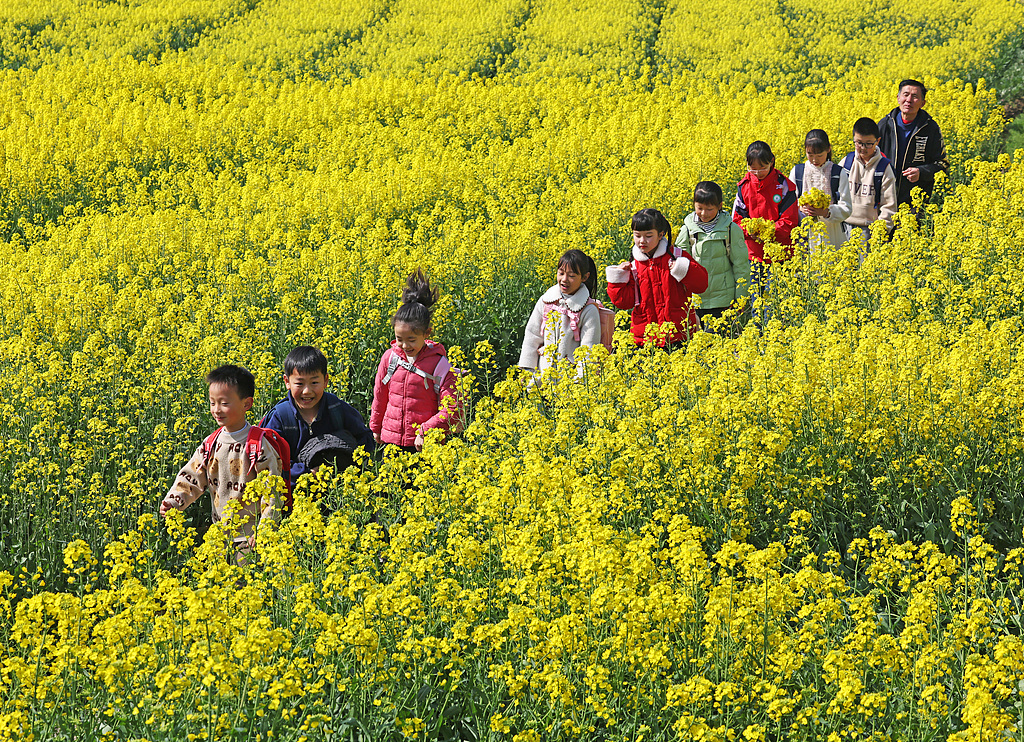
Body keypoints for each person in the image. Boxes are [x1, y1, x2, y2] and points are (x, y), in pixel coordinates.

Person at [160, 364, 284, 553]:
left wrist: (265, 530)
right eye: (212, 403)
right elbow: (191, 477)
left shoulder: (258, 444)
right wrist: (174, 501)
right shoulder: (211, 443)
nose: (216, 410)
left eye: (224, 403)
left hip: (250, 537)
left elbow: (272, 491)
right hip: (218, 536)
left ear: (247, 404)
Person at [370, 270, 462, 452]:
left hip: (424, 443)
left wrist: (426, 431)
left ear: (427, 333)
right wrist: (376, 427)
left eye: (411, 340)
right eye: (399, 339)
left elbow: (451, 407)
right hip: (391, 440)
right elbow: (380, 394)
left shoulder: (439, 365)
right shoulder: (390, 357)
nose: (404, 345)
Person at [261, 346, 374, 487]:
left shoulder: (336, 408)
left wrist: (350, 465)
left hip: (339, 487)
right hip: (293, 491)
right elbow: (271, 459)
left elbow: (365, 438)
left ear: (326, 380)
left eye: (314, 382)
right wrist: (307, 474)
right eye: (299, 383)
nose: (307, 391)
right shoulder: (281, 416)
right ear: (287, 382)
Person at [605, 208, 708, 347]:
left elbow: (701, 285)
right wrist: (618, 279)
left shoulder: (677, 257)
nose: (642, 241)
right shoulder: (633, 265)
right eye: (637, 236)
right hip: (645, 339)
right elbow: (624, 303)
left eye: (648, 236)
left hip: (679, 335)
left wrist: (682, 268)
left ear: (661, 235)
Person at [732, 141, 799, 325]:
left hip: (780, 255)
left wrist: (768, 232)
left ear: (772, 161)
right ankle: (759, 335)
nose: (757, 173)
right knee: (757, 301)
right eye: (752, 169)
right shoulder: (744, 186)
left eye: (762, 168)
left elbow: (790, 222)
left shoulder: (784, 186)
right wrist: (750, 230)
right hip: (754, 255)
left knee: (777, 303)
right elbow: (737, 220)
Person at [675, 181, 750, 336]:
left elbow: (741, 266)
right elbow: (680, 267)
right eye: (699, 208)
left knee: (720, 343)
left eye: (709, 209)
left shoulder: (730, 229)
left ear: (720, 206)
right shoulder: (687, 230)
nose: (704, 213)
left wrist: (741, 298)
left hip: (723, 300)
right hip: (695, 301)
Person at [519, 249, 603, 376]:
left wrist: (581, 382)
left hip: (571, 380)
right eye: (561, 273)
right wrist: (527, 371)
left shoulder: (588, 310)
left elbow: (588, 349)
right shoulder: (546, 300)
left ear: (585, 277)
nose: (564, 279)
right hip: (543, 377)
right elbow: (532, 336)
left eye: (572, 276)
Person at [877, 79, 948, 208]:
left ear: (922, 103)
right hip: (884, 198)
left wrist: (921, 172)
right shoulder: (884, 125)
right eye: (905, 95)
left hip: (915, 201)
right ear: (898, 98)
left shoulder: (930, 128)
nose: (909, 100)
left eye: (915, 96)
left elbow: (942, 164)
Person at [788, 130, 852, 249]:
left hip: (832, 234)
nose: (814, 160)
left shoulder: (838, 173)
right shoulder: (797, 172)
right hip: (805, 233)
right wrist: (800, 207)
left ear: (828, 149)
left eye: (819, 155)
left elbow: (847, 207)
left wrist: (826, 212)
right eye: (810, 154)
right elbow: (788, 204)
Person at [841, 118, 897, 243]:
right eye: (859, 143)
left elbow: (889, 206)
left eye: (869, 144)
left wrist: (880, 233)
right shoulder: (847, 162)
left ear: (878, 141)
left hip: (869, 230)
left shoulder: (884, 168)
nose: (863, 148)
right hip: (843, 226)